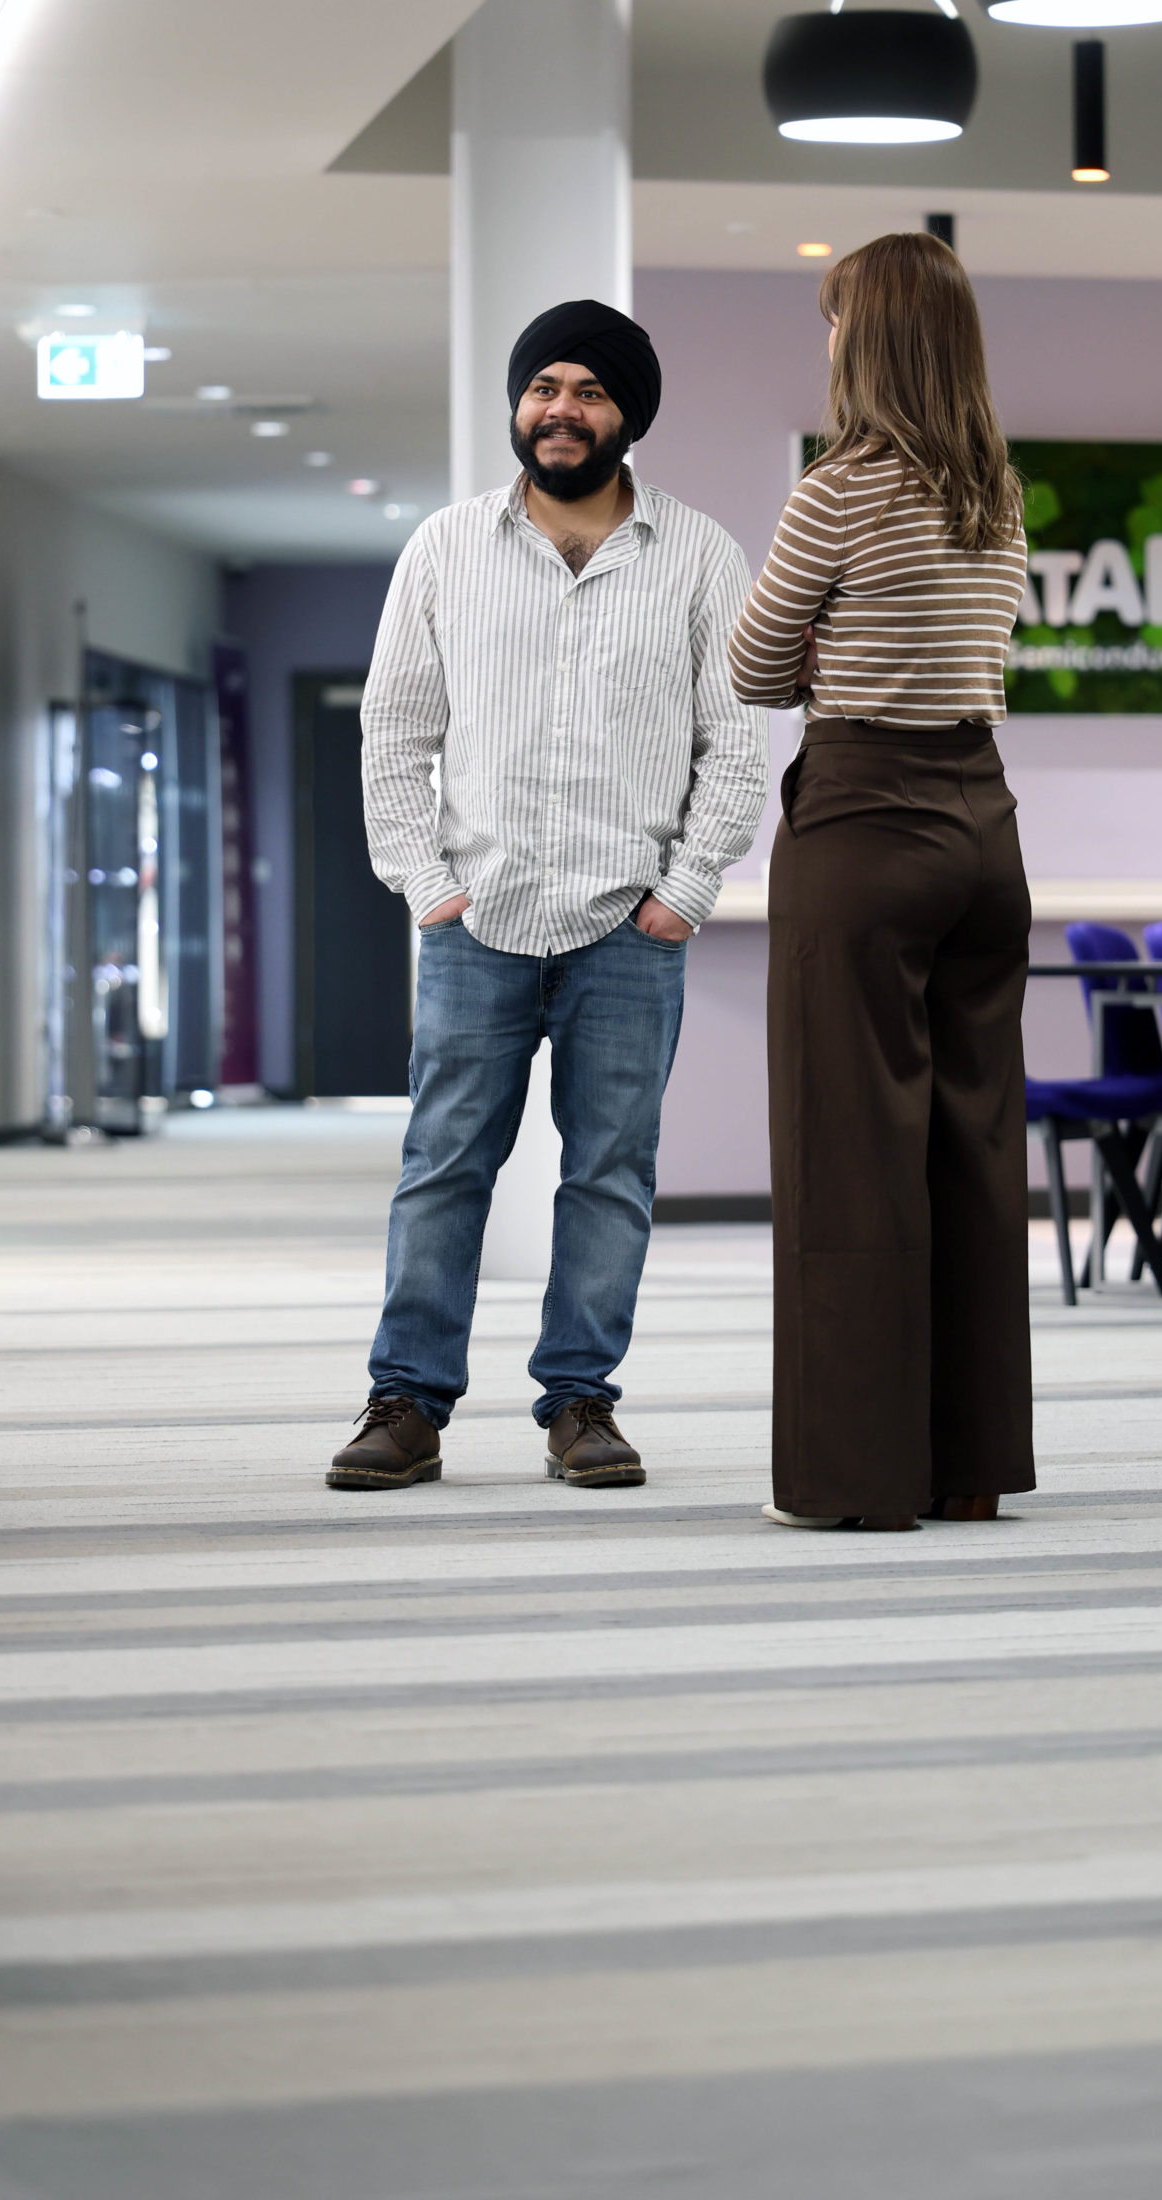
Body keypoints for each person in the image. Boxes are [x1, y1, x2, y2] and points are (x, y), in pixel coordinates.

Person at [327, 300, 768, 1494]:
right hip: (477, 920)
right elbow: (392, 733)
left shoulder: (699, 555)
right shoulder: (446, 547)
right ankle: (406, 1404)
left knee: (609, 1172)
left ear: (630, 414)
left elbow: (736, 739)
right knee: (443, 1164)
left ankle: (581, 1401)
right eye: (542, 389)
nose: (559, 410)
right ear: (518, 406)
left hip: (630, 924)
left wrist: (683, 892)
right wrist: (425, 883)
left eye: (586, 391)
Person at [728, 232, 1033, 1533]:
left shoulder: (835, 488)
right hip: (982, 823)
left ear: (872, 338)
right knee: (970, 1149)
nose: (827, 342)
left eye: (834, 320)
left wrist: (821, 659)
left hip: (861, 822)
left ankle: (854, 1480)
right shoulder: (993, 491)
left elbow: (751, 666)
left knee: (846, 1156)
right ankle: (965, 1467)